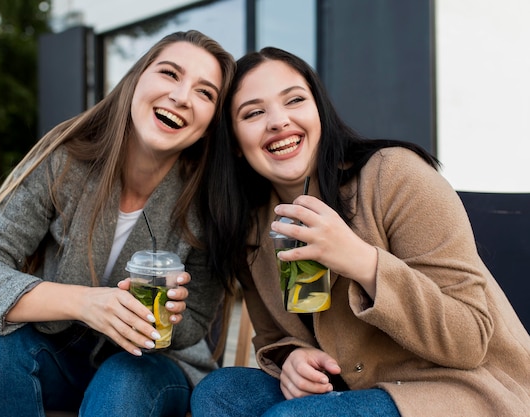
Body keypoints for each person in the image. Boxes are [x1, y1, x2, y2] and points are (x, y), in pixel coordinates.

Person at [192, 47, 530, 416]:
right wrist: (293, 358)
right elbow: (275, 336)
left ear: (319, 112)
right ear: (236, 143)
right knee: (218, 394)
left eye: (295, 100)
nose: (278, 121)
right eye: (254, 113)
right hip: (351, 386)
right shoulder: (252, 225)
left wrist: (362, 261)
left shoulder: (395, 176)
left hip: (456, 388)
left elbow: (470, 339)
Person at [0, 30, 235, 417]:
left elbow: (195, 323)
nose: (181, 97)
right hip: (58, 354)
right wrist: (84, 303)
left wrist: (170, 315)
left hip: (149, 369)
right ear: (136, 79)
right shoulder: (66, 160)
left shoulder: (210, 200)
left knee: (122, 382)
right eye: (169, 73)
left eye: (205, 93)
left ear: (212, 121)